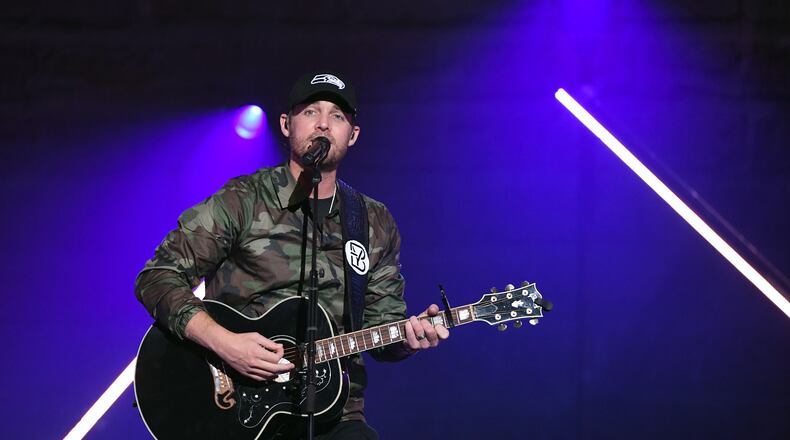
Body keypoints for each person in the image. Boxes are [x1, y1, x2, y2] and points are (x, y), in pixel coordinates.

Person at [134, 71, 449, 439]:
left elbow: (382, 327)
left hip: (335, 412)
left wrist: (409, 338)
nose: (323, 125)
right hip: (235, 407)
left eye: (337, 116)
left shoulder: (372, 221)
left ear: (353, 134)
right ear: (286, 124)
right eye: (310, 112)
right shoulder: (244, 200)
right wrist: (225, 343)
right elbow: (157, 276)